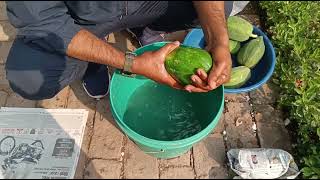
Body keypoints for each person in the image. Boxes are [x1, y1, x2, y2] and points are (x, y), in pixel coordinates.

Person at [5, 1, 238, 100]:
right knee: (30, 77)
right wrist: (132, 63)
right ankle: (91, 57)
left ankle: (146, 27)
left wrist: (219, 39)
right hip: (82, 17)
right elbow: (44, 21)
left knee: (221, 6)